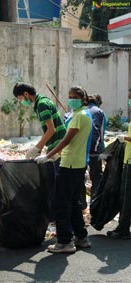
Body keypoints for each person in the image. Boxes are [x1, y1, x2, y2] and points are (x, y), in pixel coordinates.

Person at [35, 86, 92, 253]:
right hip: (78, 163)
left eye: (74, 96)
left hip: (69, 164)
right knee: (74, 202)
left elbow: (66, 140)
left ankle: (64, 241)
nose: (71, 99)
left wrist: (48, 155)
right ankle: (81, 236)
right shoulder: (84, 114)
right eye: (69, 96)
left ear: (82, 99)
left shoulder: (79, 117)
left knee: (61, 203)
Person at [13, 83, 66, 221]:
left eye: (20, 98)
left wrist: (37, 148)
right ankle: (55, 216)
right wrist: (41, 148)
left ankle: (59, 218)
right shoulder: (43, 101)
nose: (21, 102)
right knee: (54, 183)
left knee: (57, 185)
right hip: (56, 146)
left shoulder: (42, 104)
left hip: (59, 147)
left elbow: (51, 130)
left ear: (26, 94)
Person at [107, 97, 131, 239]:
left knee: (126, 196)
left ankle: (123, 229)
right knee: (124, 195)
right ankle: (122, 227)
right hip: (128, 160)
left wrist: (125, 138)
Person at [86, 94, 105, 201]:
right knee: (96, 176)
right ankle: (95, 201)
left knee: (79, 178)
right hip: (94, 149)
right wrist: (103, 152)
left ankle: (82, 205)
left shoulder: (80, 111)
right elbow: (101, 135)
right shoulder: (100, 113)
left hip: (80, 149)